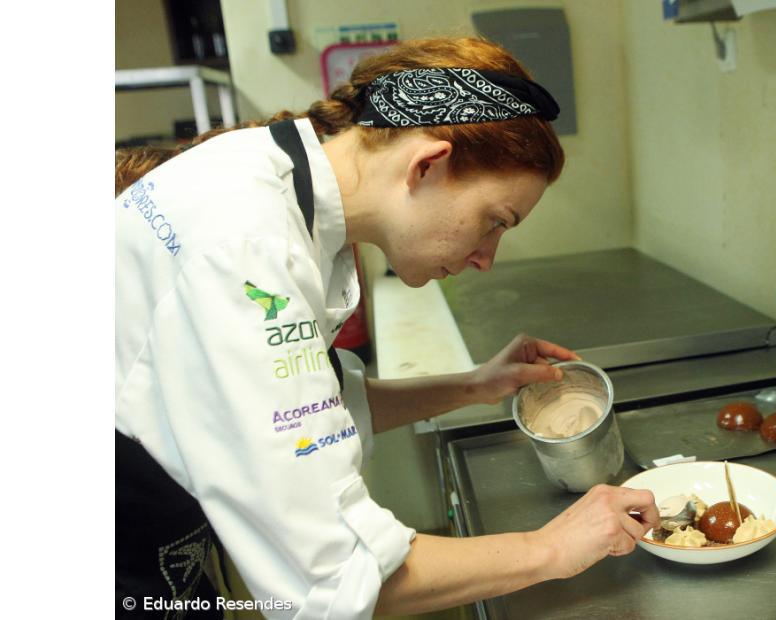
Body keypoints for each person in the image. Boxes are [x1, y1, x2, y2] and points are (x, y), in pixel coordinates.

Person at [115, 37, 659, 618]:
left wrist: (476, 385)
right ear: (427, 164)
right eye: (494, 221)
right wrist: (552, 547)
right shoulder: (249, 249)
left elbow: (301, 412)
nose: (486, 258)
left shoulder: (266, 178)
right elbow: (334, 578)